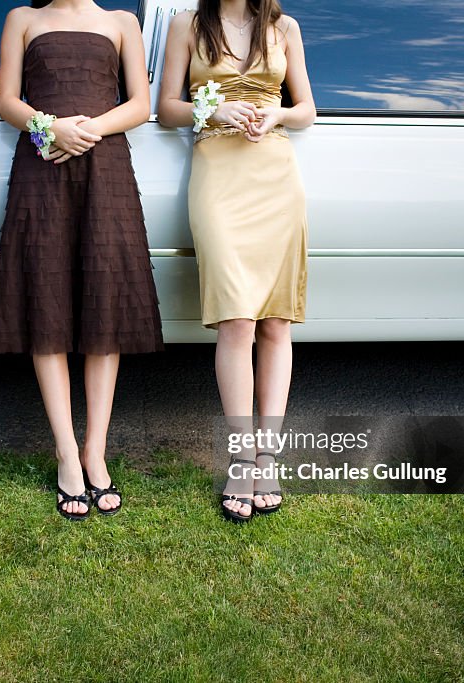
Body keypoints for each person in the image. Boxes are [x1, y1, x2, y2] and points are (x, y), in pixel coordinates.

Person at [0, 0, 163, 521]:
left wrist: (87, 130)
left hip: (105, 166)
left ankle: (95, 451)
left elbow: (140, 104)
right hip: (42, 164)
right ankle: (66, 453)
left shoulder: (121, 21)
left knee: (104, 301)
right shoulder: (22, 18)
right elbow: (7, 102)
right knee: (48, 299)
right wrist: (50, 128)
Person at [157, 0, 315, 523]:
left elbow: (306, 110)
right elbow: (166, 107)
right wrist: (214, 109)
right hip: (217, 169)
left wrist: (279, 113)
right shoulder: (187, 23)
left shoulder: (284, 26)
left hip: (274, 169)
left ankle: (267, 456)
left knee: (275, 322)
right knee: (236, 319)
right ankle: (240, 456)